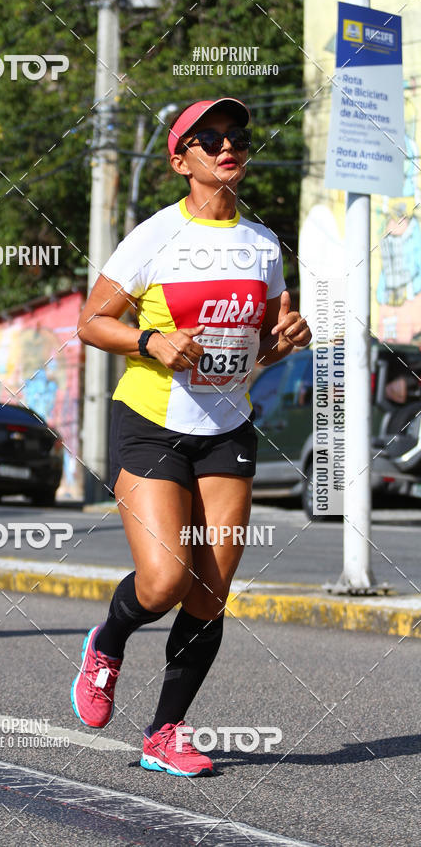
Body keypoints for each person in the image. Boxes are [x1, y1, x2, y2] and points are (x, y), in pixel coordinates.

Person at [72, 98, 311, 776]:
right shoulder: (155, 237)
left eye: (236, 136)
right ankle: (108, 641)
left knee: (209, 591)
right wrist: (150, 339)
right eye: (208, 138)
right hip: (151, 423)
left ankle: (166, 732)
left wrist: (288, 341)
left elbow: (261, 344)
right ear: (182, 160)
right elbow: (93, 321)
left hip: (226, 429)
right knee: (164, 579)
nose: (226, 145)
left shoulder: (263, 246)